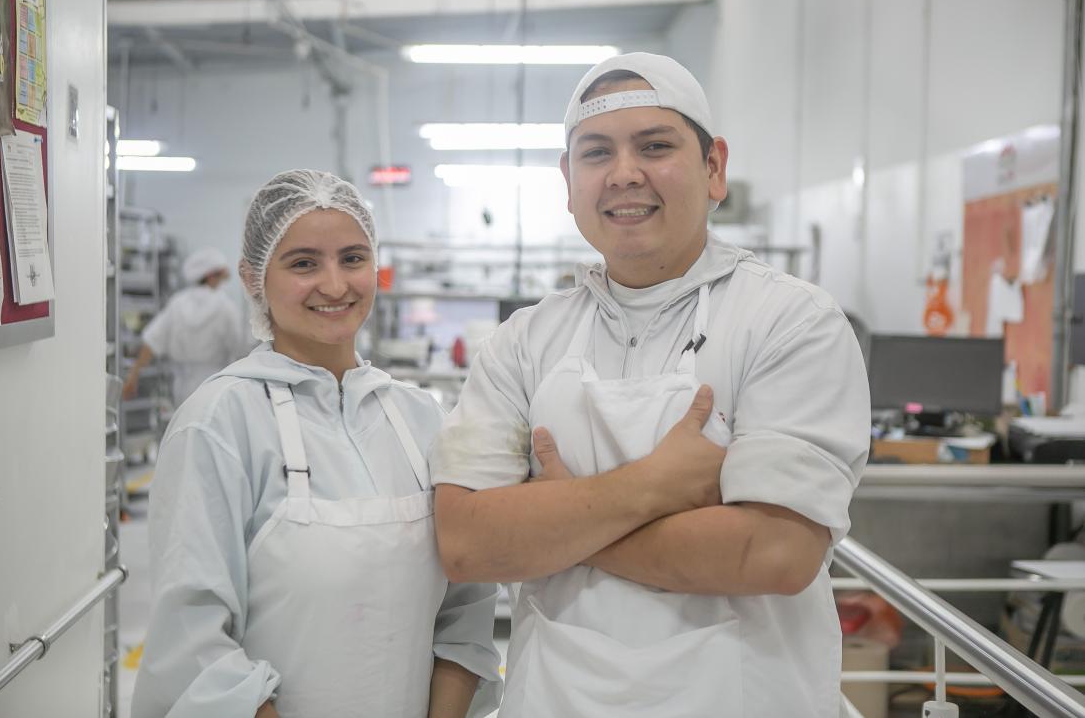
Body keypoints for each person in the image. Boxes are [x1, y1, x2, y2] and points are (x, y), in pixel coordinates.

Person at [432, 53, 870, 716]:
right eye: (597, 152)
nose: (624, 173)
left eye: (656, 146)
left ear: (714, 167)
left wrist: (556, 521)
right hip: (555, 698)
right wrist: (655, 486)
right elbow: (467, 543)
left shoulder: (789, 322)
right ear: (568, 179)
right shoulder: (522, 342)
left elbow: (775, 553)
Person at [131, 170, 502, 718]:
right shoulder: (218, 423)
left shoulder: (420, 418)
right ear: (254, 278)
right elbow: (195, 646)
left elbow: (464, 613)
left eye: (353, 258)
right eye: (304, 263)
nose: (334, 285)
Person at [122, 246, 246, 407]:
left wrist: (133, 376)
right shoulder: (226, 307)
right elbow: (239, 350)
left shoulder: (177, 303)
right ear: (210, 276)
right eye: (222, 275)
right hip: (215, 384)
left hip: (182, 387)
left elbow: (151, 341)